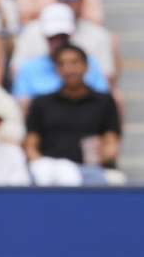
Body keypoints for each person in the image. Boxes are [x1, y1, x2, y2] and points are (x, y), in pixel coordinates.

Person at [25, 44, 121, 179]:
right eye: (61, 64)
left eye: (74, 63)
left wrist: (103, 156)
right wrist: (39, 165)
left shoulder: (104, 101)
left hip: (89, 170)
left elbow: (111, 141)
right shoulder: (41, 103)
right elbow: (31, 145)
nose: (68, 69)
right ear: (56, 70)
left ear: (86, 66)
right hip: (49, 171)